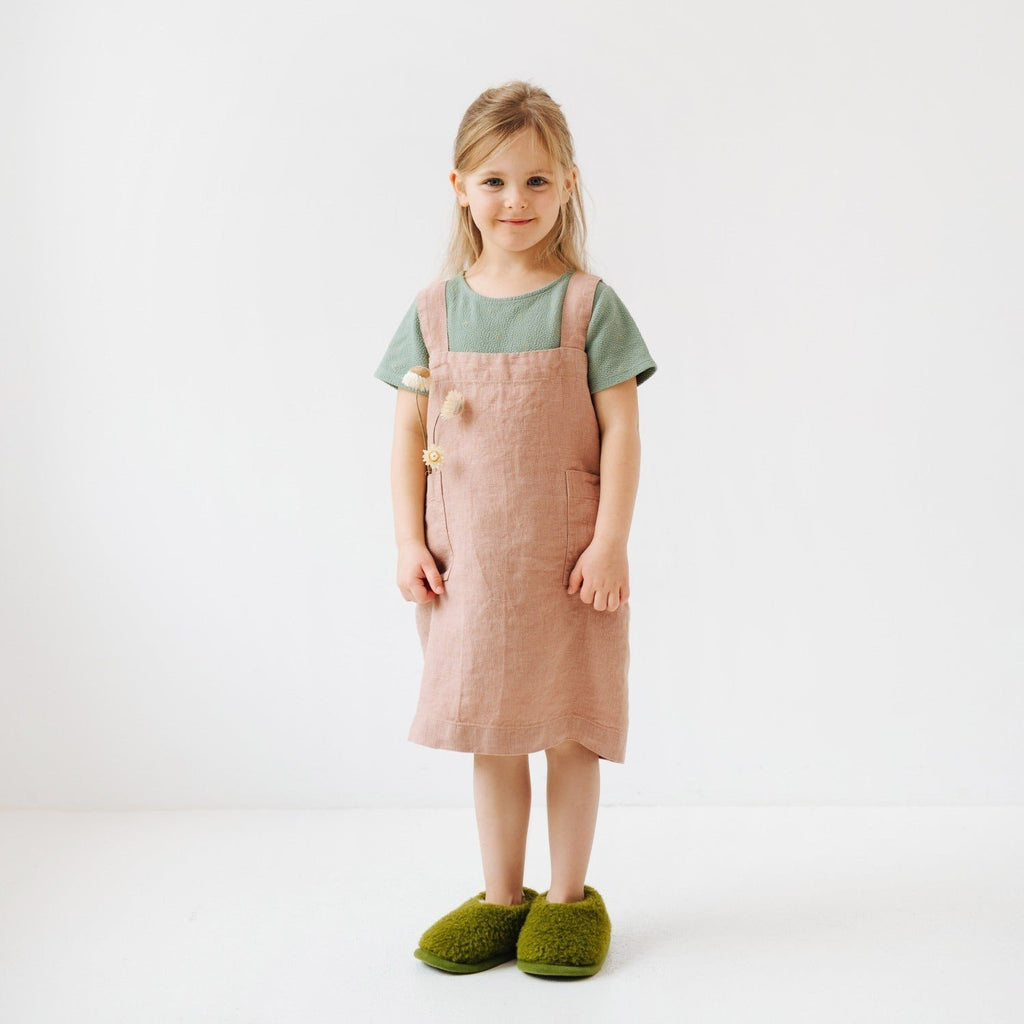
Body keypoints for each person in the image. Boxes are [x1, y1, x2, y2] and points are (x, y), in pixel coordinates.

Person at [373, 80, 657, 978]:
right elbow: (407, 436)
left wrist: (610, 540)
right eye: (494, 182)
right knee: (493, 732)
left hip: (568, 563)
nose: (515, 202)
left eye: (536, 182)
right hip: (473, 567)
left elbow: (622, 432)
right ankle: (502, 899)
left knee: (570, 728)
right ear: (459, 186)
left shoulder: (588, 306)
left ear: (567, 185)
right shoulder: (434, 311)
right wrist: (409, 540)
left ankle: (567, 900)